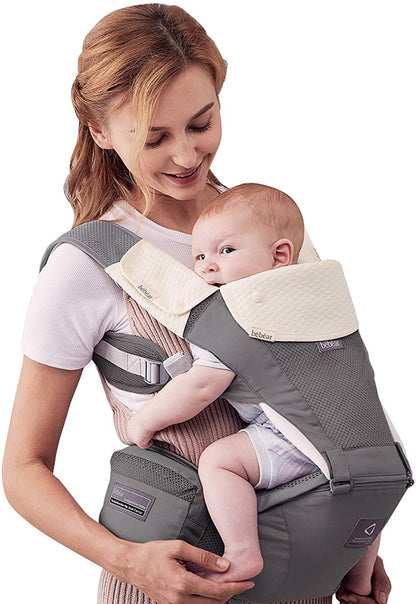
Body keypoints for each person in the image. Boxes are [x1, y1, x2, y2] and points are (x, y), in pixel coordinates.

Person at [2, 4, 392, 604]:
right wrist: (127, 561)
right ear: (100, 131)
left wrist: (355, 545)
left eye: (201, 123)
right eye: (154, 137)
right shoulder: (87, 264)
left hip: (297, 582)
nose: (186, 156)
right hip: (169, 585)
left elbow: (329, 392)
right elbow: (23, 468)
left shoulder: (268, 229)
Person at [126, 182, 381, 595]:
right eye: (199, 256)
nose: (207, 267)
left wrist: (145, 420)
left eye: (225, 251)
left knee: (220, 462)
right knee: (365, 499)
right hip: (372, 442)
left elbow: (202, 385)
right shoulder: (321, 298)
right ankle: (360, 572)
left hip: (296, 437)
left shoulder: (240, 313)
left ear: (279, 255)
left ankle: (243, 552)